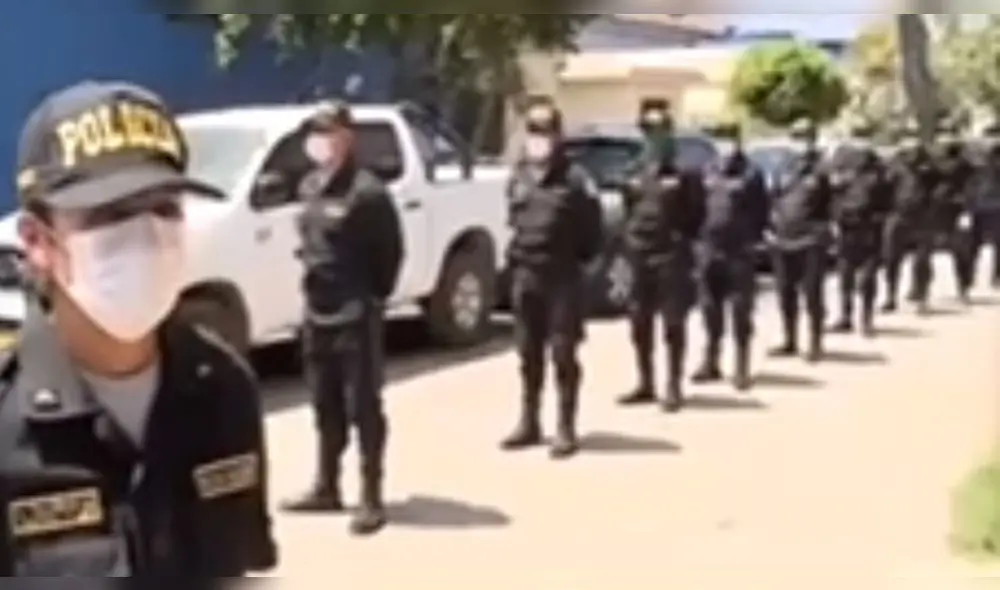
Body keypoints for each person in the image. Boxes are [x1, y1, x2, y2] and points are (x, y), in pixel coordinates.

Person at [0, 80, 276, 575]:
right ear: (38, 240)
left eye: (165, 208)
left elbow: (241, 569)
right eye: (112, 215)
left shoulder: (223, 387)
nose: (147, 237)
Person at [282, 102, 404, 536]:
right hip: (317, 311)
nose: (319, 141)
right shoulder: (310, 185)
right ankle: (326, 485)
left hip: (355, 312)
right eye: (315, 133)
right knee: (323, 403)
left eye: (328, 132)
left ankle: (371, 496)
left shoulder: (367, 193)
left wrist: (371, 299)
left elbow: (389, 256)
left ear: (347, 137)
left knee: (363, 406)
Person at [501, 96, 602, 458]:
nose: (538, 138)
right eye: (533, 131)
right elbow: (512, 219)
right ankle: (529, 422)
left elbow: (592, 236)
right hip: (525, 276)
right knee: (528, 354)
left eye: (545, 131)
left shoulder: (575, 181)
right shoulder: (519, 175)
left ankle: (566, 426)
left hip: (562, 280)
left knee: (562, 353)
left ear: (558, 136)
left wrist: (574, 265)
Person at [617, 98, 706, 412]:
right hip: (640, 253)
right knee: (639, 322)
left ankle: (673, 385)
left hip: (671, 255)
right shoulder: (632, 170)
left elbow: (697, 216)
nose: (652, 135)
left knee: (672, 323)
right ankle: (645, 382)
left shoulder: (685, 173)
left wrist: (683, 245)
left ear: (669, 132)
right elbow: (628, 210)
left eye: (659, 129)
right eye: (647, 129)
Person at [690, 122, 767, 391]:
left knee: (740, 311)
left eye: (727, 140)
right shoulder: (707, 170)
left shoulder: (751, 173)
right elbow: (696, 207)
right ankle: (711, 362)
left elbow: (761, 211)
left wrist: (751, 240)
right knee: (710, 309)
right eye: (718, 140)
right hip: (709, 249)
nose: (723, 146)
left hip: (739, 251)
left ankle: (741, 367)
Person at [768, 119, 833, 362]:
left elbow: (831, 203)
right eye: (796, 137)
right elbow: (773, 197)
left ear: (813, 139)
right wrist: (771, 226)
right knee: (785, 292)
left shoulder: (822, 168)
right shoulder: (784, 166)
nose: (799, 142)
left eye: (804, 137)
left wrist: (826, 229)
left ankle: (815, 342)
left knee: (812, 293)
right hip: (782, 238)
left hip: (810, 239)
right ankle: (790, 340)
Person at [828, 124, 894, 337]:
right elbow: (831, 192)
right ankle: (845, 316)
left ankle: (866, 320)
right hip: (846, 225)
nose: (860, 143)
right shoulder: (839, 161)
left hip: (870, 226)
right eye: (857, 137)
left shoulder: (878, 165)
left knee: (867, 277)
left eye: (864, 137)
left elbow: (887, 195)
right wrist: (834, 220)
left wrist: (881, 219)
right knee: (845, 274)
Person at [881, 125, 940, 315]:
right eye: (907, 139)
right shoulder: (894, 163)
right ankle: (890, 296)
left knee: (922, 260)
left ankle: (921, 297)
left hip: (923, 217)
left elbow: (940, 184)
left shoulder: (929, 165)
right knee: (891, 258)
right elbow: (884, 187)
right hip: (897, 215)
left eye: (914, 138)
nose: (910, 144)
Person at [934, 124, 978, 303]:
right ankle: (920, 289)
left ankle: (964, 287)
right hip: (938, 210)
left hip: (957, 210)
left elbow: (971, 188)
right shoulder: (933, 162)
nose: (946, 140)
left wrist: (967, 208)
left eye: (950, 135)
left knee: (962, 252)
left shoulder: (965, 165)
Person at [970, 124, 1000, 288]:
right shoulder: (978, 160)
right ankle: (970, 275)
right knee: (974, 244)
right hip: (982, 206)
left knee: (996, 243)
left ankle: (995, 275)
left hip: (991, 205)